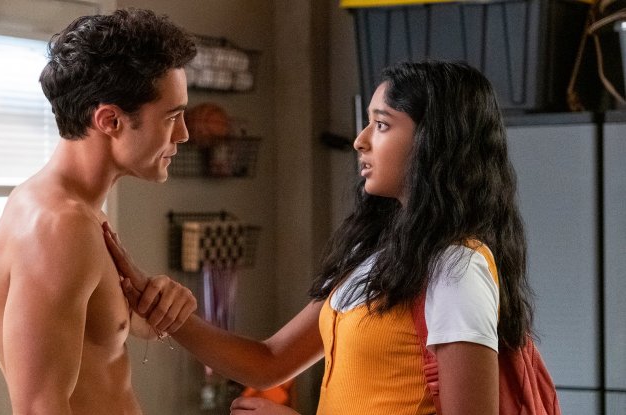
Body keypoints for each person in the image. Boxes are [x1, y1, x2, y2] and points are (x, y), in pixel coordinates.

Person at [103, 60, 534, 415]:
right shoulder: (374, 252)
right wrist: (161, 307)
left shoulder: (457, 268)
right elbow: (269, 362)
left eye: (381, 125)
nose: (360, 141)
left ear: (434, 142)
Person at [0, 8, 199, 414]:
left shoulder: (81, 213)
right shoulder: (58, 227)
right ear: (110, 120)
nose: (184, 134)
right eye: (171, 117)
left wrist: (152, 309)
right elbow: (37, 408)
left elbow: (93, 337)